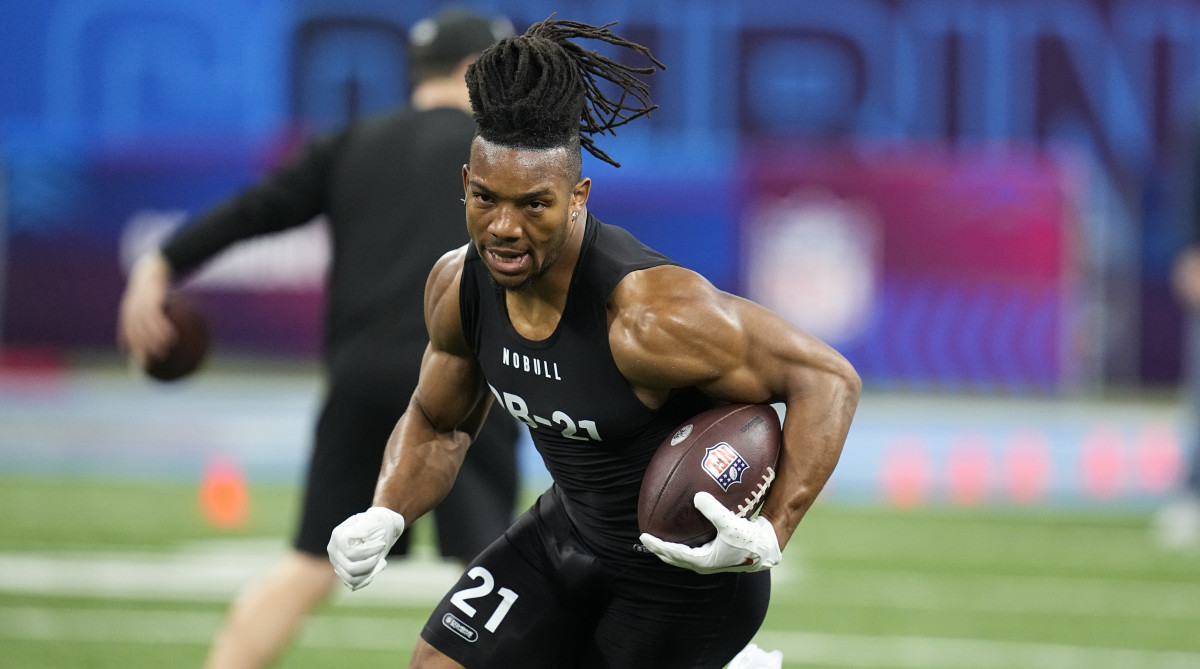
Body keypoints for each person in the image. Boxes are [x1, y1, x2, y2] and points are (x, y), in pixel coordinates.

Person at [326, 17, 861, 668]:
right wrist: (386, 511)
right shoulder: (457, 284)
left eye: (533, 206)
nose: (504, 229)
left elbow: (827, 379)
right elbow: (439, 423)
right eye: (487, 200)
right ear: (465, 184)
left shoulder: (648, 317)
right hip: (566, 533)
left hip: (683, 577)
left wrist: (769, 531)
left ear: (577, 196)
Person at [117, 9, 521, 668]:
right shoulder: (503, 154)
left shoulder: (353, 141)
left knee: (308, 563)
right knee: (492, 576)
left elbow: (254, 210)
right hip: (462, 383)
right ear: (477, 70)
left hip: (361, 376)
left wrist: (161, 261)